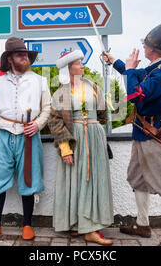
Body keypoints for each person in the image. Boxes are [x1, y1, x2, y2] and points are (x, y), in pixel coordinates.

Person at [102, 23, 161, 246]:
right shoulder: (154, 68)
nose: (143, 48)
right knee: (138, 178)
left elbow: (135, 95)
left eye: (146, 45)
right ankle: (142, 224)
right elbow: (135, 74)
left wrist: (129, 70)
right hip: (142, 132)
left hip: (156, 135)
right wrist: (115, 61)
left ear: (152, 49)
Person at [0, 37, 51, 242]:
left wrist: (38, 124)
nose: (24, 57)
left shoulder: (39, 80)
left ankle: (27, 224)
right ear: (9, 59)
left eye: (26, 54)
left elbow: (47, 108)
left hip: (29, 134)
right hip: (3, 134)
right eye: (20, 55)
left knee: (30, 179)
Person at [48, 50, 114, 246]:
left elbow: (103, 114)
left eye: (81, 63)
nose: (82, 66)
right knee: (77, 181)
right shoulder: (61, 93)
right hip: (74, 139)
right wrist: (66, 148)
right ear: (69, 69)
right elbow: (55, 122)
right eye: (78, 63)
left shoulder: (93, 86)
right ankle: (80, 226)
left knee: (94, 181)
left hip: (94, 137)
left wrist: (94, 129)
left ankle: (90, 227)